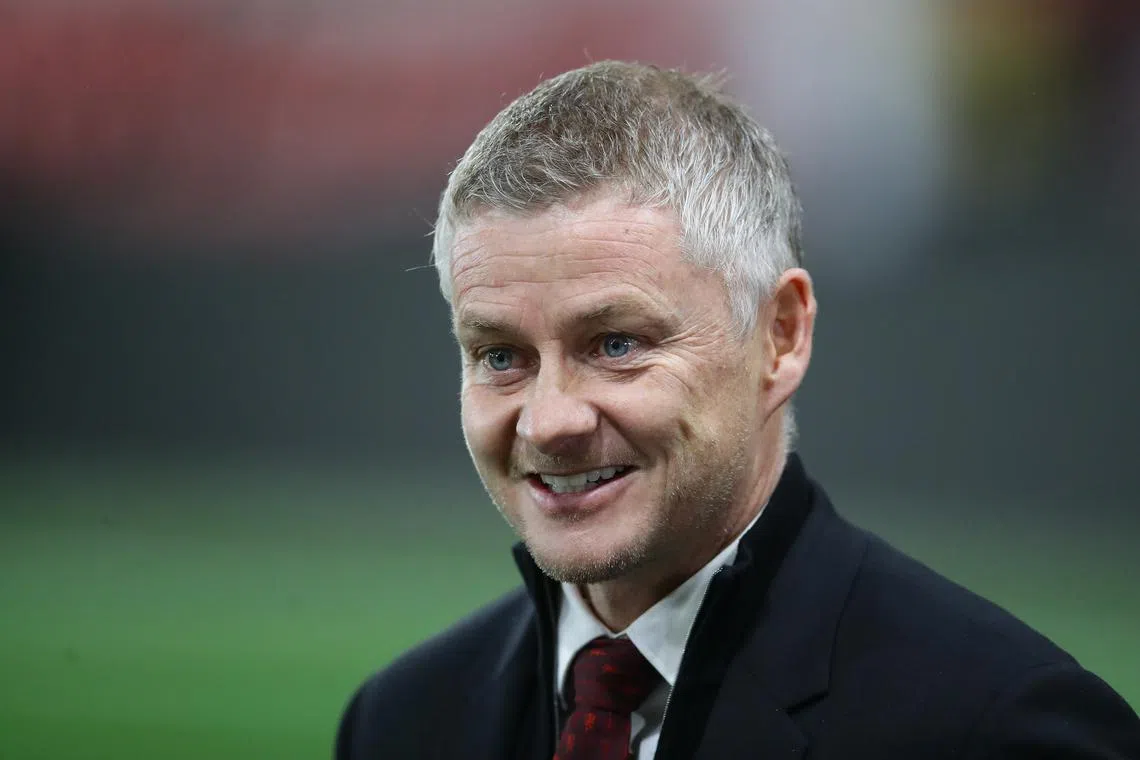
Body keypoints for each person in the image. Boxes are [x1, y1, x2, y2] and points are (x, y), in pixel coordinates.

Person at [335, 61, 1140, 759]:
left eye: (615, 343)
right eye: (500, 356)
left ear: (780, 336)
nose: (549, 422)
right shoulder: (399, 724)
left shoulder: (1000, 729)